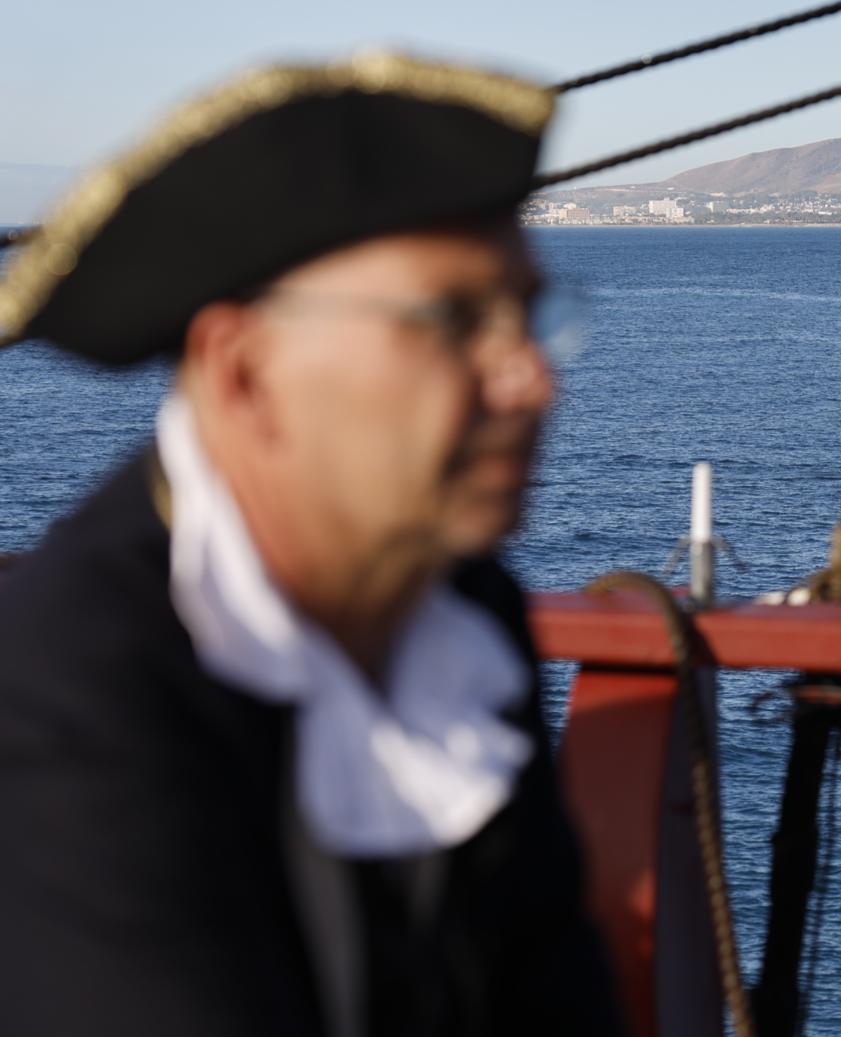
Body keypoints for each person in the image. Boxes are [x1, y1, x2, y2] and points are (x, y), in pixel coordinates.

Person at [0, 52, 619, 1036]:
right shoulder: (65, 694)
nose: (531, 380)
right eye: (455, 319)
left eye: (528, 314)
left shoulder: (463, 615)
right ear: (243, 372)